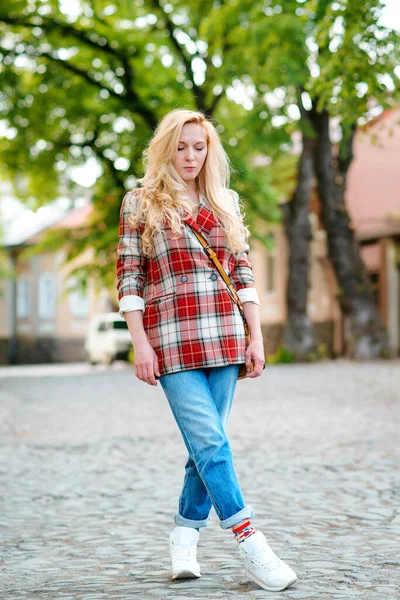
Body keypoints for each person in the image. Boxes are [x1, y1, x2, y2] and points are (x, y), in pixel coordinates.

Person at [116, 109, 297, 592]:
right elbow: (130, 277)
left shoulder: (225, 200)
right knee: (212, 443)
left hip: (225, 337)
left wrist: (256, 336)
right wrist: (140, 344)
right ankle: (250, 541)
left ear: (209, 150)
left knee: (204, 447)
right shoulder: (140, 202)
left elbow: (242, 272)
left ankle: (183, 537)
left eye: (199, 146)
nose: (190, 156)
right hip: (171, 343)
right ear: (165, 148)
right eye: (181, 146)